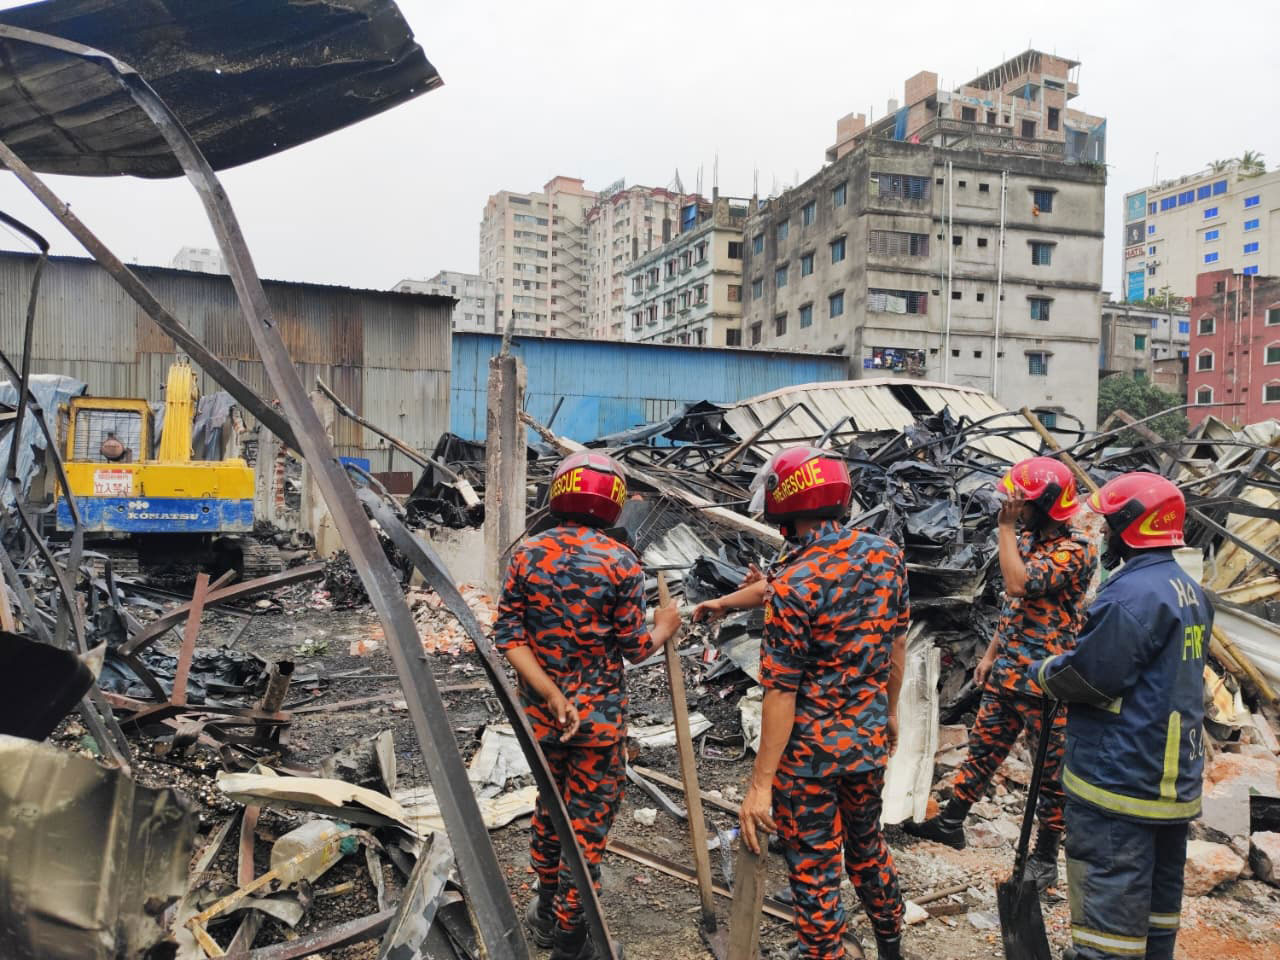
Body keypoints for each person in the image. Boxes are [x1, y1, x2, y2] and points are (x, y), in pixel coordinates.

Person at [711, 445, 909, 960]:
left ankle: (823, 953)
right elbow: (897, 644)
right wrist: (889, 715)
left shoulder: (797, 584)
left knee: (816, 866)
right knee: (867, 848)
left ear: (788, 501)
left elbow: (781, 691)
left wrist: (760, 785)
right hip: (867, 743)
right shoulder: (884, 555)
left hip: (810, 760)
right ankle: (891, 945)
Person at [496, 451, 681, 960]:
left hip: (541, 718)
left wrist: (552, 693)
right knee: (586, 826)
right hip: (597, 725)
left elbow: (508, 637)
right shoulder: (621, 562)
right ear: (614, 503)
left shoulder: (528, 554)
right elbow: (634, 647)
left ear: (560, 493)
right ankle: (572, 941)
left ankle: (545, 910)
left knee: (549, 808)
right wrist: (666, 624)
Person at [1031, 473, 1208, 960]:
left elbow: (1091, 678)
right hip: (1170, 781)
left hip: (1120, 780)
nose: (1104, 532)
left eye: (1109, 523)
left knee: (1108, 916)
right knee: (1156, 912)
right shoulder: (1188, 590)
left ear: (1132, 525)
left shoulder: (1129, 597)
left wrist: (1043, 672)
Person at [904, 457, 1097, 893]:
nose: (1012, 507)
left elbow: (1018, 585)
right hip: (1009, 672)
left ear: (1045, 505)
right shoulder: (1026, 536)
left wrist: (1005, 530)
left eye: (1021, 503)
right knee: (982, 749)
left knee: (1050, 772)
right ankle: (952, 821)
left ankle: (1046, 854)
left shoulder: (1077, 549)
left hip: (1047, 681)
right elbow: (1015, 609)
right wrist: (991, 654)